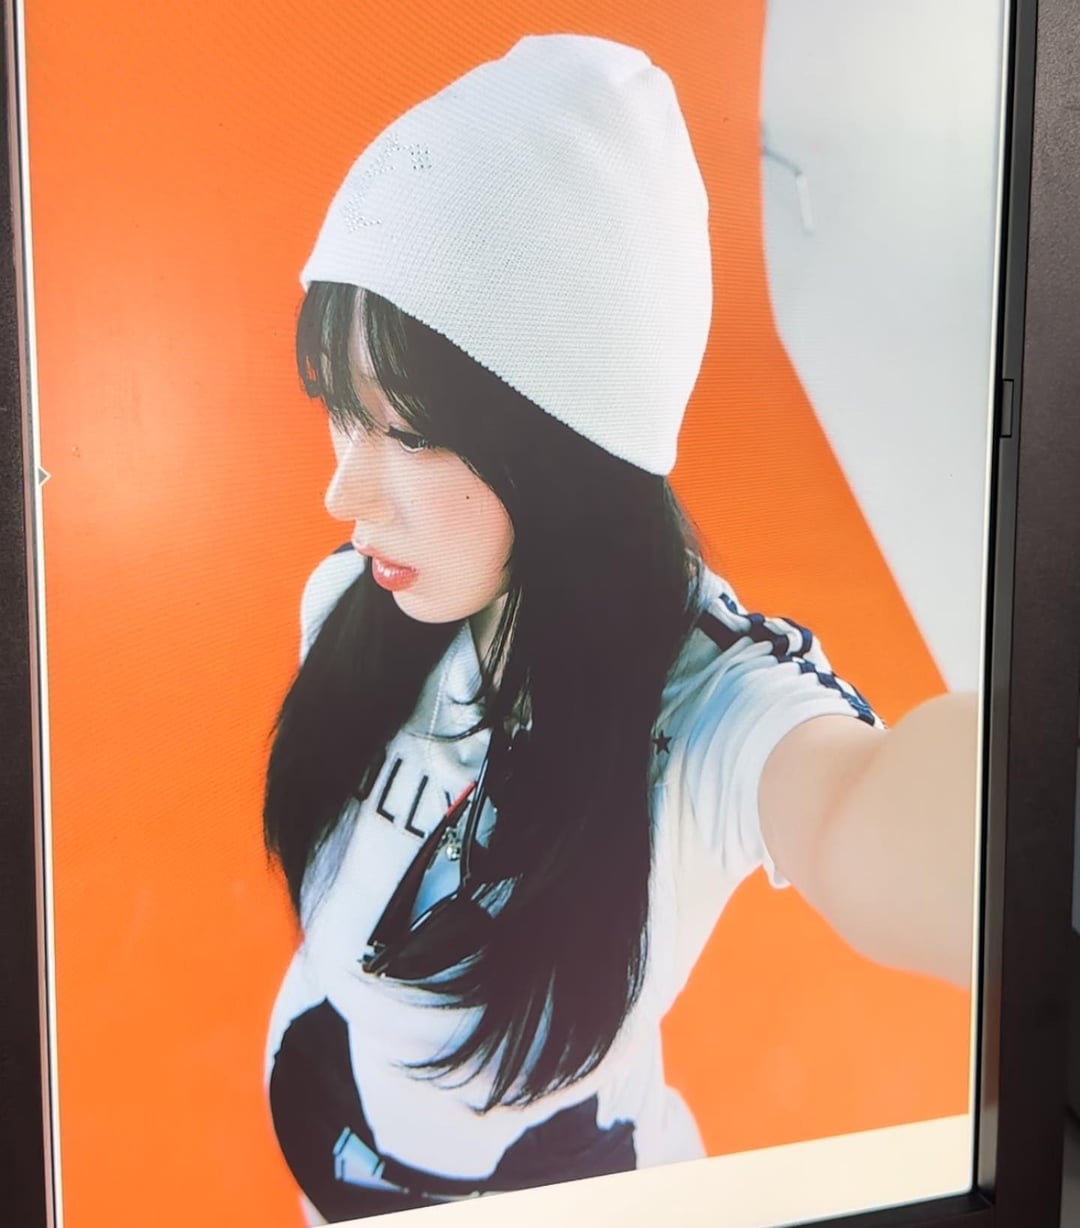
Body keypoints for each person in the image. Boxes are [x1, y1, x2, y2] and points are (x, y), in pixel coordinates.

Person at [263, 33, 977, 1224]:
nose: (344, 492)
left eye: (410, 432)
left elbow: (872, 808)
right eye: (342, 409)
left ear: (563, 440)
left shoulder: (696, 710)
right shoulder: (356, 601)